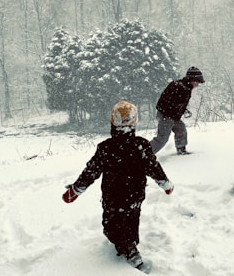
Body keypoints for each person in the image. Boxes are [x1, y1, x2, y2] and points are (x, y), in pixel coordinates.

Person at [62, 100, 174, 271]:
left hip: (113, 198)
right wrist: (165, 184)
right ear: (134, 122)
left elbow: (91, 171)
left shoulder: (106, 148)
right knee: (131, 220)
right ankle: (131, 242)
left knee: (111, 227)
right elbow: (154, 168)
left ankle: (130, 251)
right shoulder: (141, 145)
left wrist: (76, 190)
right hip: (135, 196)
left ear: (112, 121)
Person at [150, 66, 205, 155]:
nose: (198, 84)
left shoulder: (185, 87)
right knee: (162, 139)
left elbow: (177, 103)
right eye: (198, 81)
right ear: (193, 79)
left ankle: (181, 149)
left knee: (181, 129)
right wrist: (171, 115)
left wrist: (183, 110)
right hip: (166, 115)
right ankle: (144, 153)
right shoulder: (180, 87)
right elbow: (169, 103)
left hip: (172, 115)